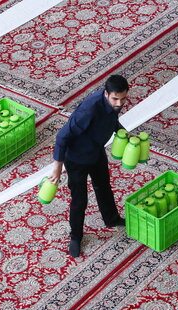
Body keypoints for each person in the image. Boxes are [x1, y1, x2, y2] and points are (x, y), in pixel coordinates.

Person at [48, 75, 129, 258]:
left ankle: (111, 218)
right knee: (79, 200)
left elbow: (112, 120)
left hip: (96, 152)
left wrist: (124, 133)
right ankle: (76, 236)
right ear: (106, 93)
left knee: (104, 187)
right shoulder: (89, 109)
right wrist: (57, 168)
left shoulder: (113, 102)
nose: (119, 103)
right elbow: (62, 137)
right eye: (115, 99)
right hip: (76, 159)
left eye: (123, 98)